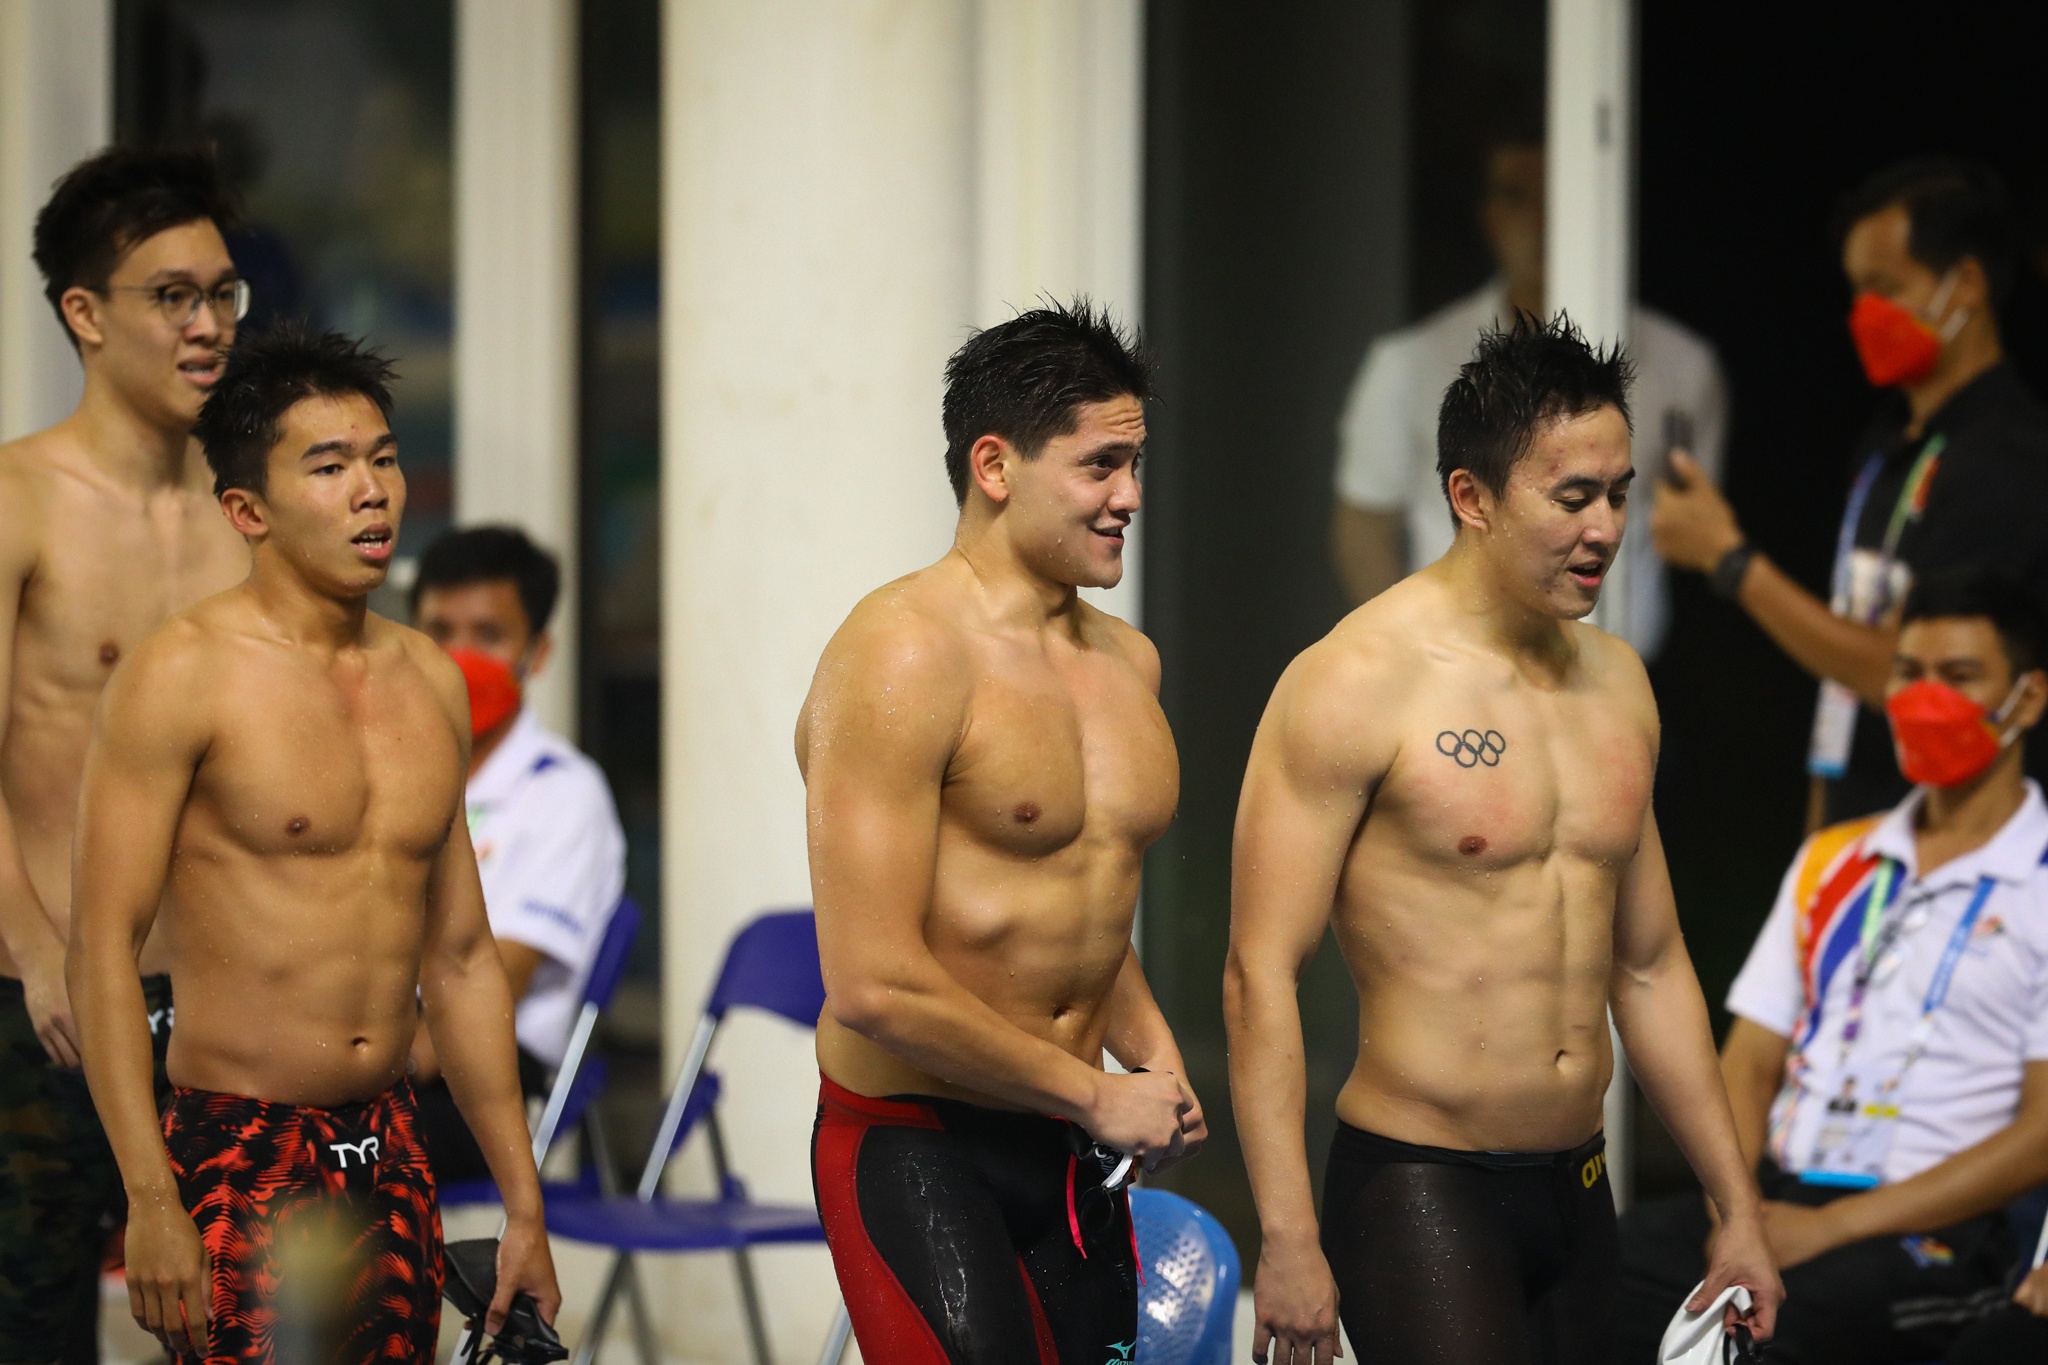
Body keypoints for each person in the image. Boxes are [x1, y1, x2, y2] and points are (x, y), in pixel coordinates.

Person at [1231, 315, 1781, 1365]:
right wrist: (1287, 1237)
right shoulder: (1354, 682)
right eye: (1570, 498)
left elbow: (1650, 963)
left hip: (1577, 1186)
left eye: (1618, 493)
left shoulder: (1617, 684)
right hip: (1418, 1184)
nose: (1604, 528)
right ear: (1469, 497)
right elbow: (1260, 971)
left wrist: (1734, 1205)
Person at [65, 325, 559, 1363]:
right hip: (239, 1149)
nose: (372, 489)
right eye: (328, 467)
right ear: (248, 510)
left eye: (381, 456)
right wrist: (150, 1195)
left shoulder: (428, 681)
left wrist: (523, 1203)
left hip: (393, 1142)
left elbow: (462, 958)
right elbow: (101, 946)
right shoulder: (180, 676)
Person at [798, 301, 1205, 1364]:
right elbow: (872, 985)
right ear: (995, 465)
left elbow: (1076, 902)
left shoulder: (1129, 665)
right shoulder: (901, 656)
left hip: (1066, 1140)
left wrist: (1151, 1056)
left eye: (1135, 464)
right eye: (1098, 466)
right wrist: (1096, 1094)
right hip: (917, 1141)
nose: (1128, 497)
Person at [1611, 571, 2048, 1365]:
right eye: (1909, 674)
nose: (1925, 698)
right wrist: (1732, 1219)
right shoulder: (1835, 858)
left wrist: (1830, 1227)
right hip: (1776, 1196)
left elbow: (2043, 1130)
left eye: (1959, 677)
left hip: (1932, 1230)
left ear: (2026, 699)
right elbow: (1746, 1063)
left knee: (1783, 1331)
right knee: (1588, 1279)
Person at [0, 146, 250, 1365]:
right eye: (172, 297)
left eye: (223, 294)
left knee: (238, 1325)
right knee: (35, 1322)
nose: (208, 327)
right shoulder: (18, 502)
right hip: (36, 998)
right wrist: (33, 945)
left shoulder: (252, 511)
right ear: (85, 315)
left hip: (219, 1001)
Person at [1652, 159, 2048, 827]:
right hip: (1857, 823)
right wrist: (1821, 836)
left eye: (1885, 286)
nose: (1866, 314)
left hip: (1960, 842)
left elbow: (1903, 672)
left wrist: (1732, 560)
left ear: (1968, 284)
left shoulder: (2007, 458)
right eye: (1856, 292)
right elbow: (1845, 678)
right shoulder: (1888, 442)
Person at [1331, 129, 1726, 662]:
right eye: (1518, 196)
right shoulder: (1409, 363)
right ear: (1487, 215)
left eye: (1559, 193)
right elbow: (1363, 528)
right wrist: (1407, 660)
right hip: (1455, 672)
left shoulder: (1682, 364)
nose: (1543, 220)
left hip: (1625, 672)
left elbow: (1689, 527)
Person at [407, 524, 627, 1185]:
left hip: (481, 1081)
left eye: (489, 635)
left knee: (304, 1146)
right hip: (371, 1052)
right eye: (440, 630)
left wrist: (347, 1072)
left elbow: (493, 986)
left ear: (539, 651)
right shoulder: (391, 775)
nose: (459, 656)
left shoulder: (563, 794)